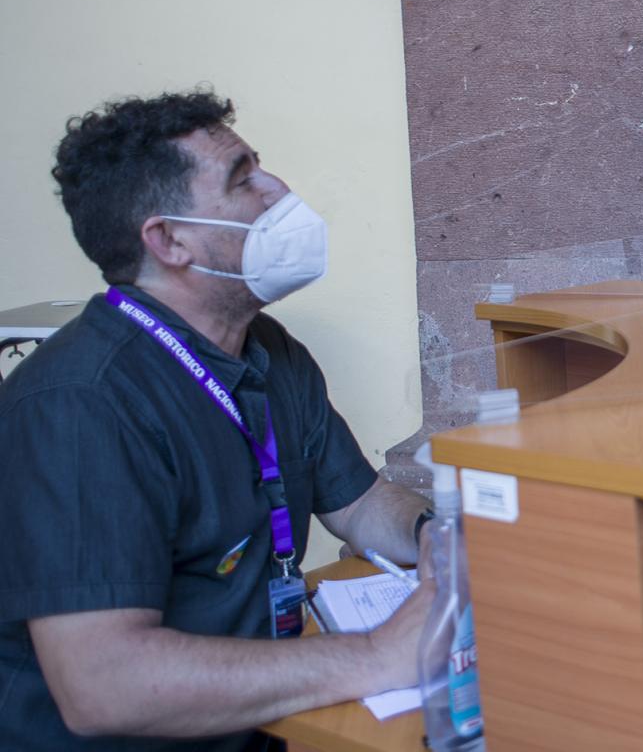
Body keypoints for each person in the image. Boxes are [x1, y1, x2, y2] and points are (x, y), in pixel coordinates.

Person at [0, 91, 437, 751]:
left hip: (261, 724)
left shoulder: (269, 346)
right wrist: (378, 654)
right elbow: (101, 683)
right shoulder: (78, 402)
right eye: (242, 179)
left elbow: (363, 504)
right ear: (170, 239)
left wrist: (435, 535)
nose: (277, 189)